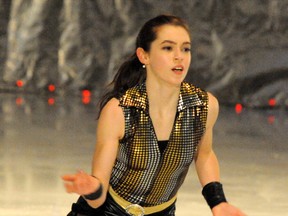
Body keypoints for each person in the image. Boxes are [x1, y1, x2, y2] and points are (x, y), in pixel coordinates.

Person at [62, 14, 246, 216]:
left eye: (185, 48)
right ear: (144, 56)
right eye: (168, 48)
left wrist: (218, 203)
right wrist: (91, 189)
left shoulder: (204, 106)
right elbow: (98, 199)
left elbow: (204, 155)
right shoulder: (119, 110)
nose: (179, 56)